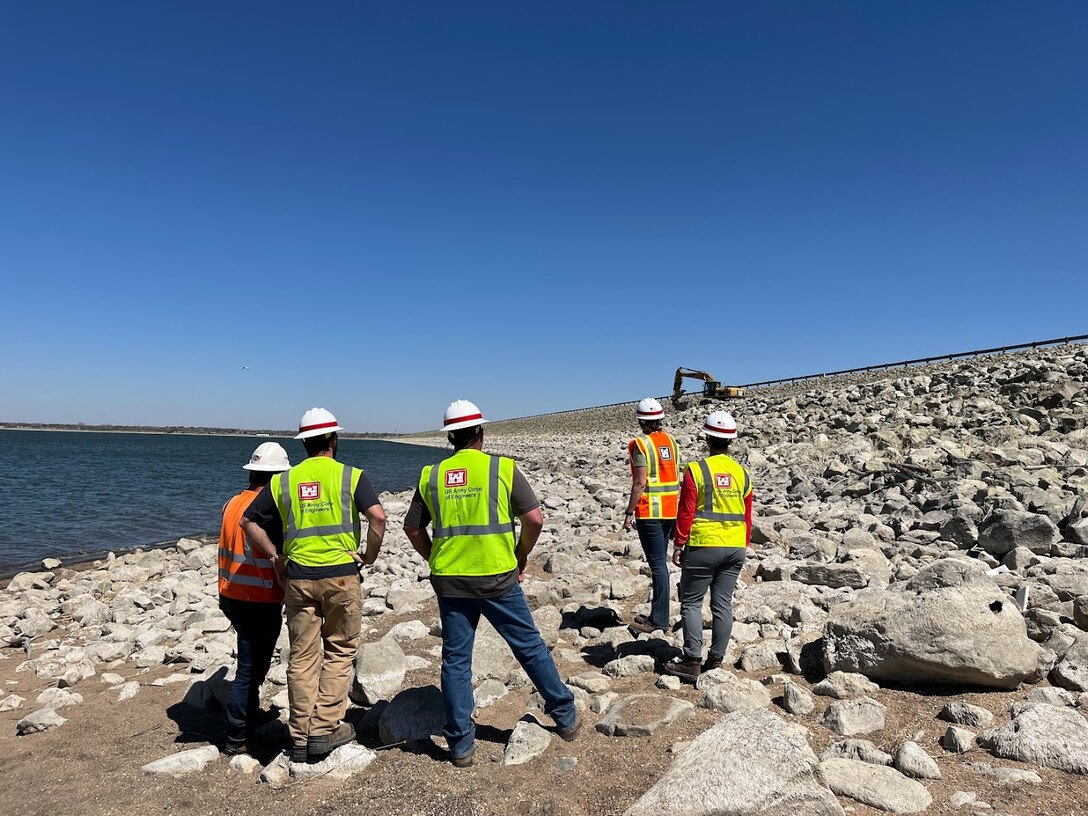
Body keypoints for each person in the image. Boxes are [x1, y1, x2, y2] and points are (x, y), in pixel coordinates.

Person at [403, 399, 579, 767]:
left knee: (455, 660)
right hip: (498, 576)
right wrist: (521, 554)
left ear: (450, 436)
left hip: (450, 580)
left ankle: (461, 746)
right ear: (481, 433)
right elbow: (534, 518)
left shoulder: (431, 476)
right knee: (529, 646)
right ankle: (564, 716)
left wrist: (433, 556)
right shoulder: (502, 469)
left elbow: (412, 528)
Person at [240, 407, 386, 763]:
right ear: (334, 440)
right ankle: (323, 728)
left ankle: (300, 734)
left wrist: (276, 556)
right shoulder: (350, 476)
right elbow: (378, 517)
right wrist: (368, 555)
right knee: (339, 651)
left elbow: (249, 521)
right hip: (340, 578)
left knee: (302, 657)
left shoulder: (283, 481)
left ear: (304, 443)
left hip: (299, 580)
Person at [663, 410, 753, 683]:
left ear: (707, 438)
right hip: (735, 546)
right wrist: (743, 544)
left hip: (703, 544)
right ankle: (716, 659)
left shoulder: (697, 469)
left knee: (691, 602)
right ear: (731, 441)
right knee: (723, 603)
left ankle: (692, 661)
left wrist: (679, 543)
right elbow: (748, 513)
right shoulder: (742, 472)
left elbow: (686, 510)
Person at [218, 442, 292, 756]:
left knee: (254, 662)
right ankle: (236, 737)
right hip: (258, 598)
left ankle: (246, 717)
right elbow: (277, 556)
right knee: (250, 667)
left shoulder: (232, 503)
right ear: (276, 476)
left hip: (231, 594)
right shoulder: (269, 509)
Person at [622, 397, 680, 635]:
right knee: (662, 564)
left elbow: (640, 482)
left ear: (641, 420)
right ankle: (660, 614)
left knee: (658, 566)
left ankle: (658, 619)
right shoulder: (671, 441)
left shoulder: (640, 444)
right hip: (671, 509)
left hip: (650, 512)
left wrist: (628, 512)